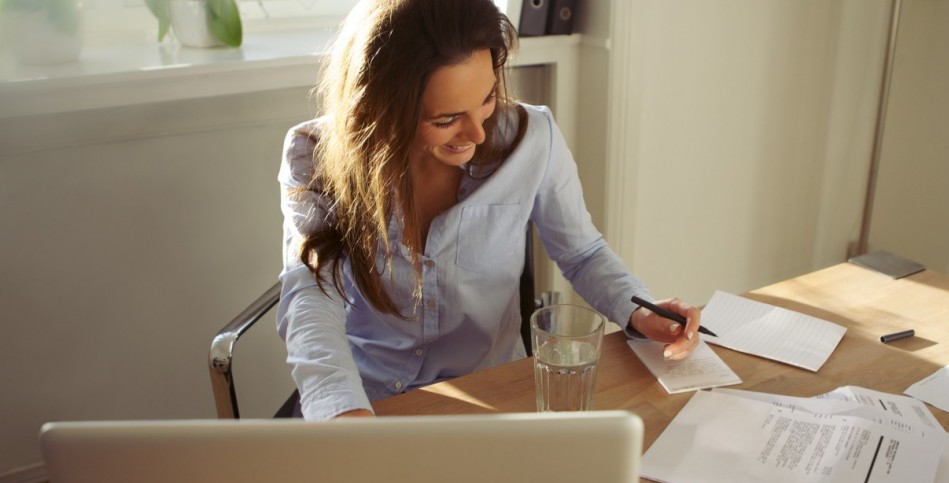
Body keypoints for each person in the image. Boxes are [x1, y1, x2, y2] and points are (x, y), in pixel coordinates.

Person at [277, 0, 702, 420]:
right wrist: (341, 412)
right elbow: (311, 294)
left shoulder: (533, 139)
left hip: (492, 398)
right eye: (445, 120)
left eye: (487, 99)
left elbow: (583, 253)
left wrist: (641, 309)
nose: (478, 133)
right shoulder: (314, 154)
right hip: (365, 399)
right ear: (382, 109)